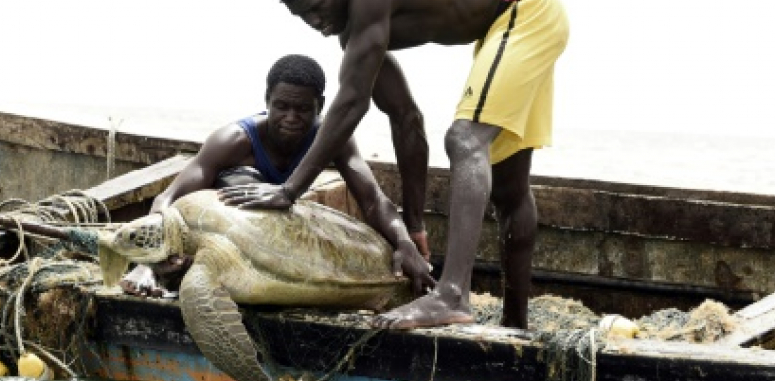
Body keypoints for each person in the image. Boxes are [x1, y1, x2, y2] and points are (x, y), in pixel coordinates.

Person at [217, 0, 569, 330]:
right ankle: (515, 328)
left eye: (317, 6)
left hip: (523, 13)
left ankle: (452, 295)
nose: (316, 23)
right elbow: (406, 119)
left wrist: (290, 189)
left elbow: (351, 104)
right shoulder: (355, 35)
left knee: (465, 139)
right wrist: (415, 227)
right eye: (303, 17)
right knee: (509, 188)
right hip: (507, 29)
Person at [120, 54, 434, 298]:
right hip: (224, 243)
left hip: (276, 251)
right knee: (241, 181)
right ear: (267, 100)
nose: (291, 118)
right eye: (281, 107)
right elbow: (168, 199)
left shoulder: (332, 139)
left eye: (303, 110)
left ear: (320, 107)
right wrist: (147, 263)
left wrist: (405, 242)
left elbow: (374, 201)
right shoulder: (233, 141)